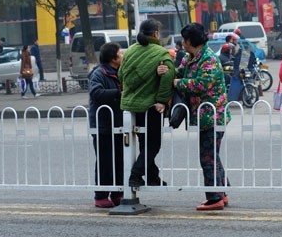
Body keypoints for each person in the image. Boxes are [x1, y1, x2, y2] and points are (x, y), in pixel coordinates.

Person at [174, 22, 231, 211]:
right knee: (212, 156)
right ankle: (221, 192)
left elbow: (201, 84)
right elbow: (180, 72)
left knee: (207, 157)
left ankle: (214, 197)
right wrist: (167, 72)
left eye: (184, 39)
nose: (182, 43)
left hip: (212, 116)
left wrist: (177, 83)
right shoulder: (191, 57)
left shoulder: (209, 59)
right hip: (203, 116)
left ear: (189, 41)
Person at [118, 19, 175, 188]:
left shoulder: (129, 52)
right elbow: (167, 77)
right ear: (156, 34)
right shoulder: (161, 53)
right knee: (153, 144)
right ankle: (135, 175)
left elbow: (121, 75)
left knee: (145, 143)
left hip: (129, 107)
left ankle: (152, 177)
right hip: (150, 108)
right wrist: (162, 100)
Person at [88, 42, 124, 208]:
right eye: (120, 53)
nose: (123, 56)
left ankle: (117, 193)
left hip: (118, 124)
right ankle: (101, 195)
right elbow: (96, 93)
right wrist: (119, 93)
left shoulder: (120, 72)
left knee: (118, 160)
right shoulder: (99, 73)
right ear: (113, 58)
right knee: (104, 161)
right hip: (103, 125)